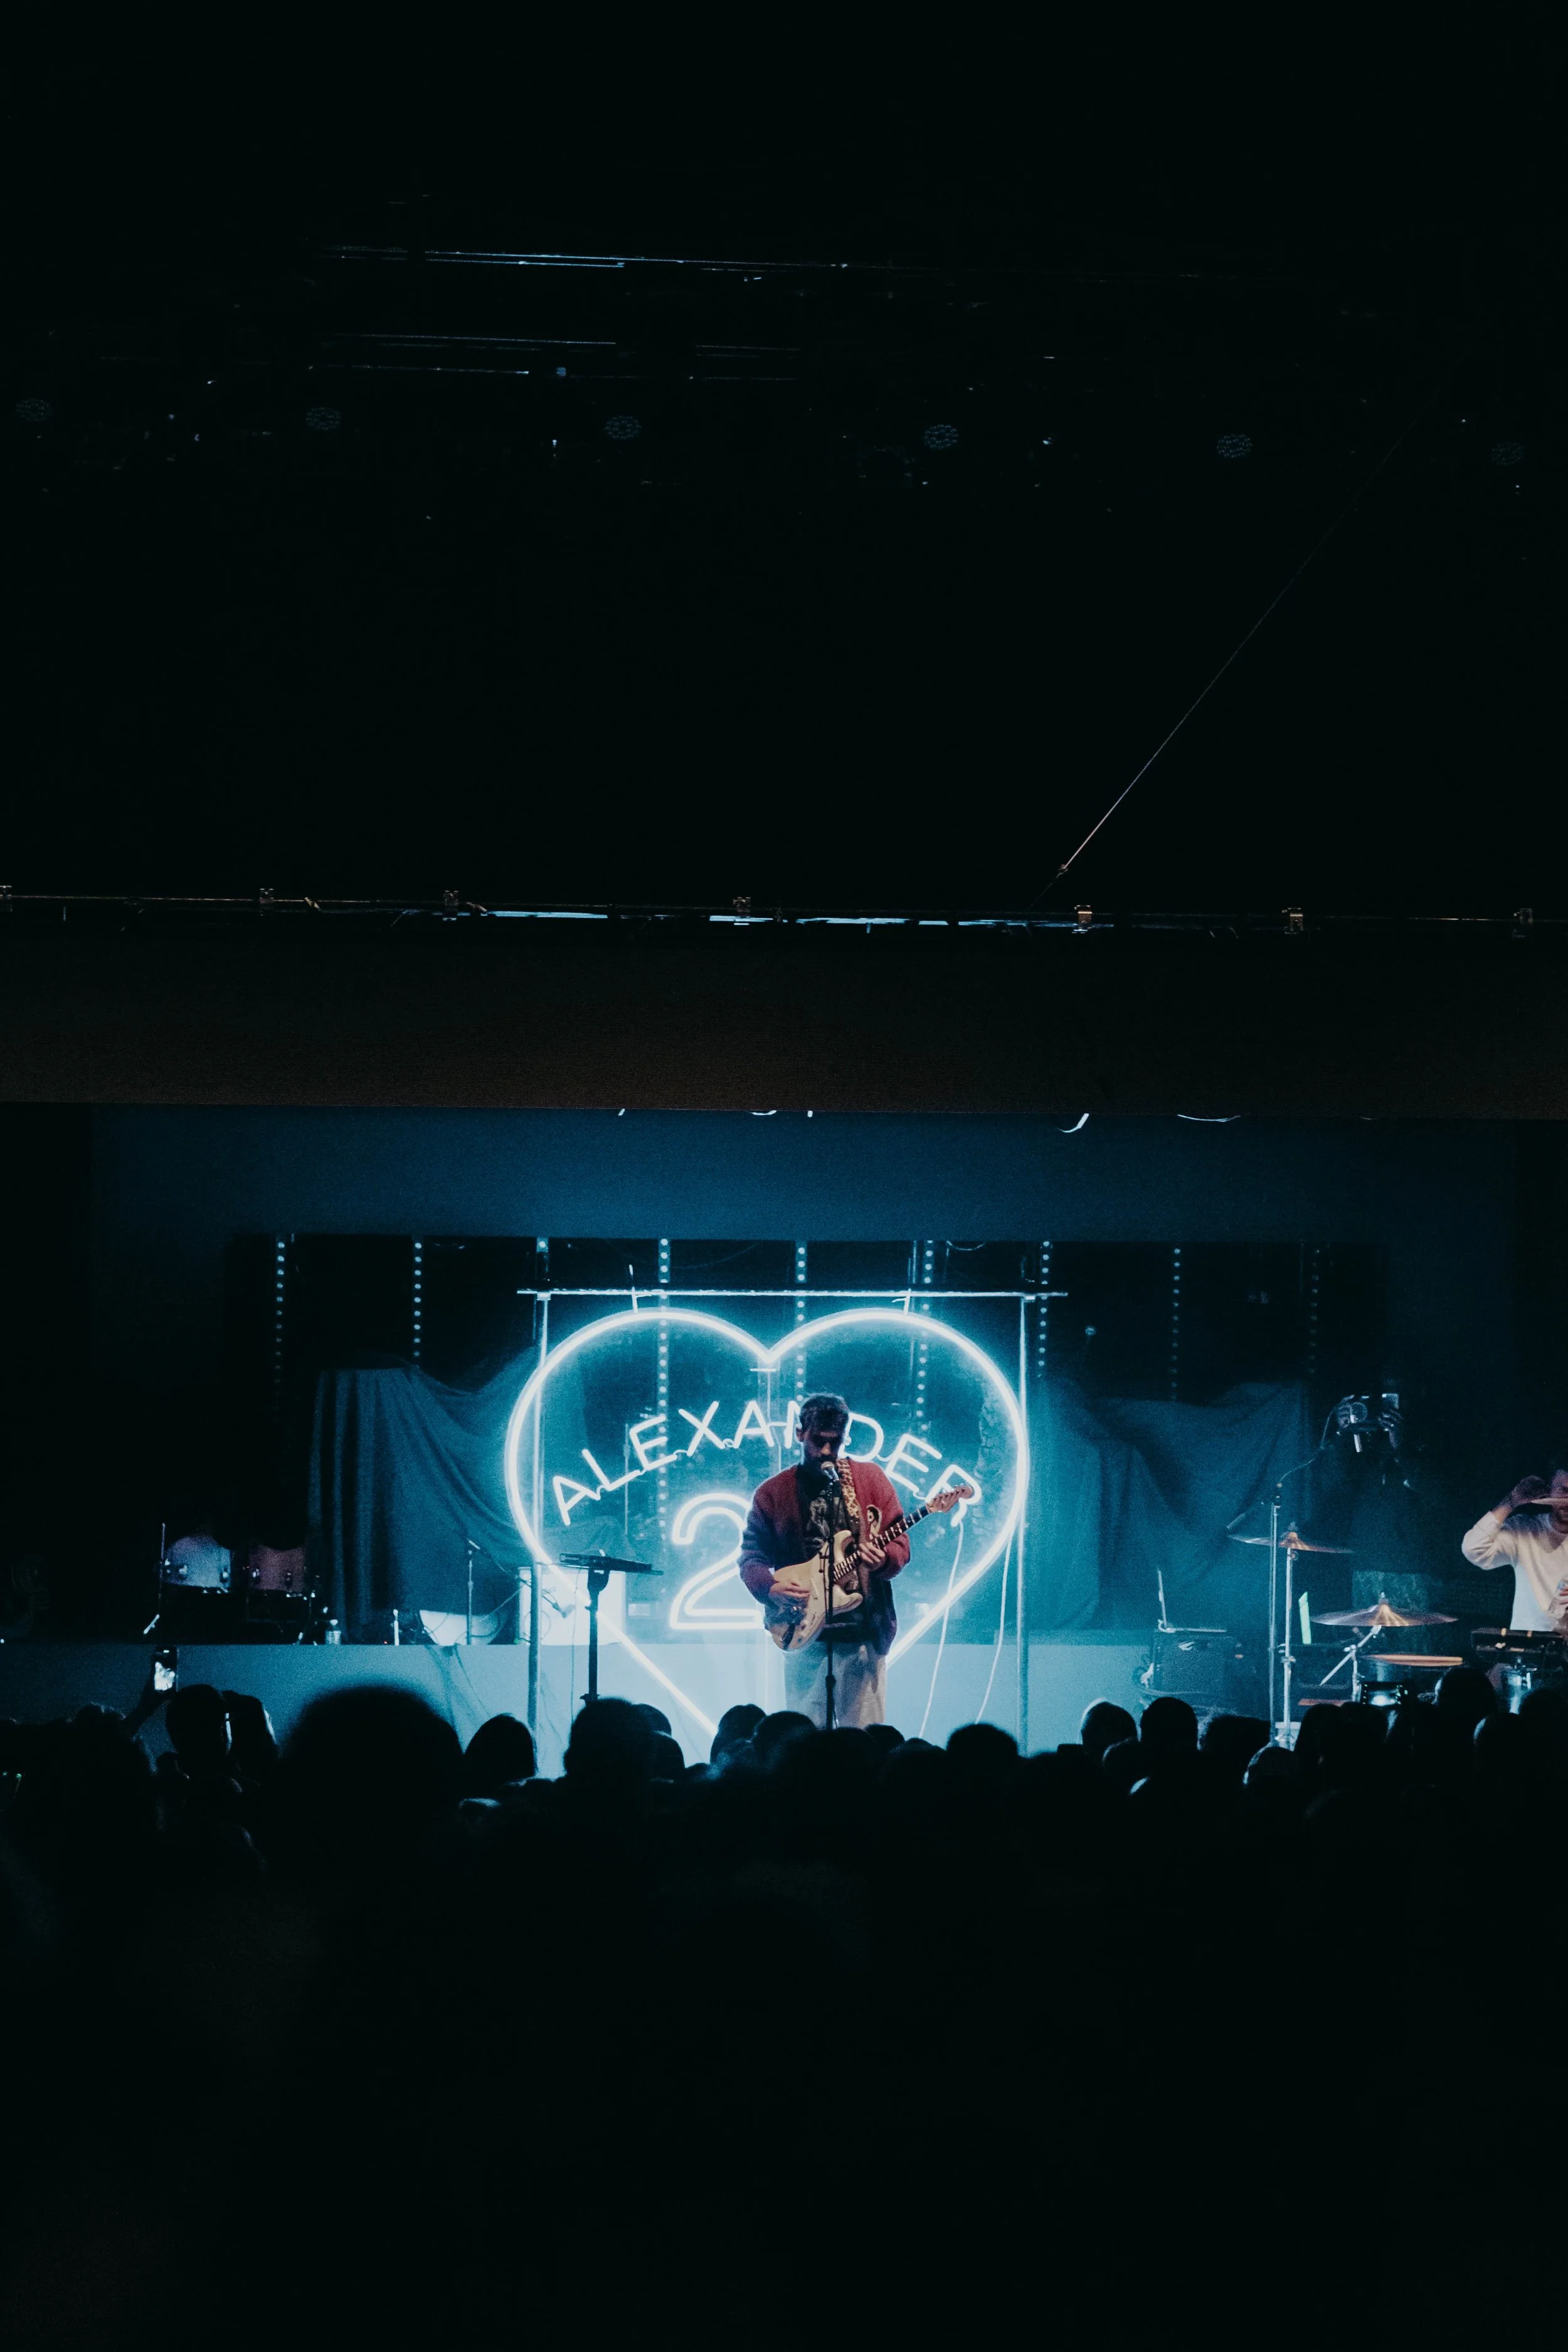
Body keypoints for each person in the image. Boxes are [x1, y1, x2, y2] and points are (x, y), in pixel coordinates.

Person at [738, 1392, 910, 1729]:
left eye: (836, 1441)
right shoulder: (774, 1493)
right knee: (804, 1744)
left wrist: (884, 1560)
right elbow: (751, 1556)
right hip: (803, 1632)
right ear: (800, 1433)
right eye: (819, 1441)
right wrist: (771, 1589)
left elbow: (900, 1542)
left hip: (863, 1634)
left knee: (863, 1746)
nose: (828, 1451)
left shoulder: (871, 1480)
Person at [1460, 1471, 1568, 1631]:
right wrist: (1512, 1502)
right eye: (1563, 1491)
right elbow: (1474, 1549)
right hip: (1529, 1643)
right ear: (1550, 1492)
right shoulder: (1525, 1529)